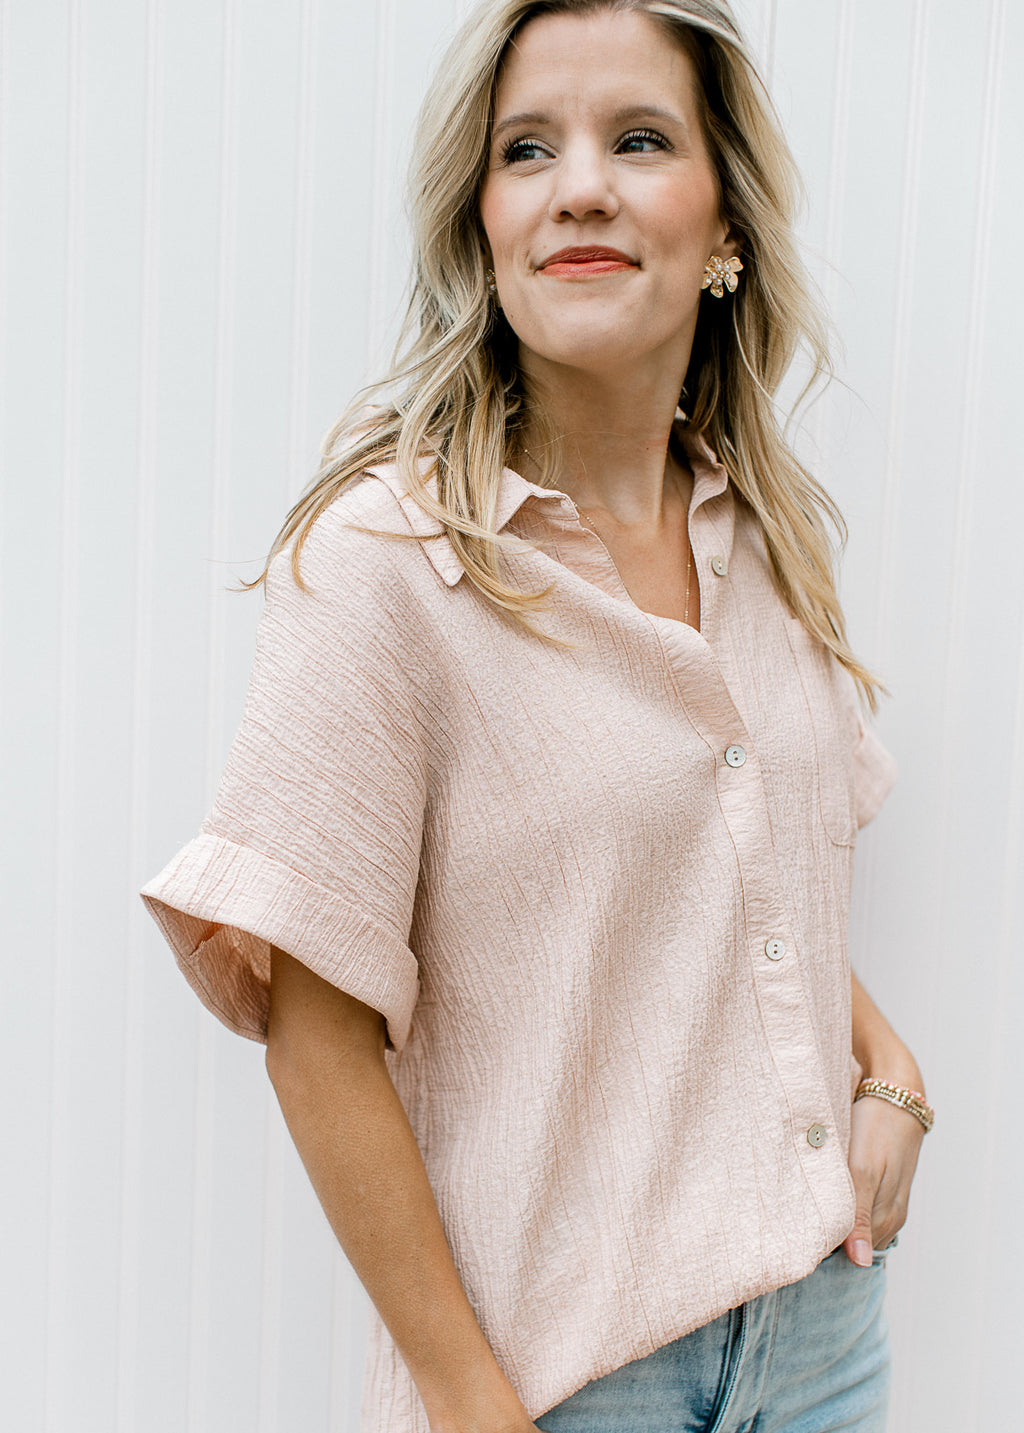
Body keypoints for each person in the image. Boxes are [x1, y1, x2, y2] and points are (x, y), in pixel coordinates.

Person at [141, 1, 933, 1430]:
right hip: (570, 1378)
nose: (581, 183)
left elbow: (749, 858)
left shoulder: (767, 537)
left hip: (825, 1332)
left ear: (727, 228)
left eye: (639, 138)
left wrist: (893, 1068)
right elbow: (317, 1028)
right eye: (527, 149)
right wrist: (467, 1400)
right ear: (484, 226)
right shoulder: (385, 566)